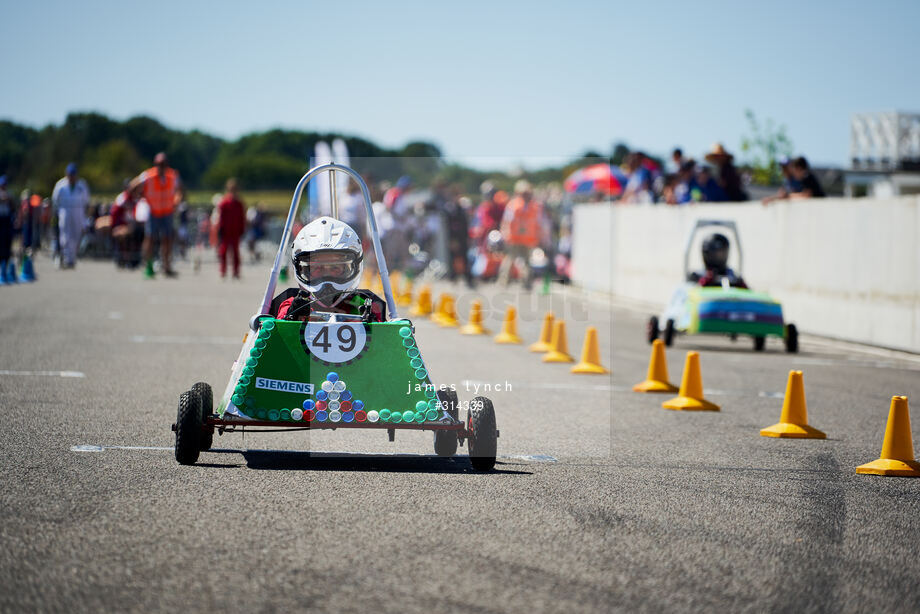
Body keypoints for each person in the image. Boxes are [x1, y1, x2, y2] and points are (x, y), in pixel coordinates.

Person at [272, 216, 385, 322]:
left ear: (354, 267)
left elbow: (387, 338)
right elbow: (277, 331)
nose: (327, 278)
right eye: (317, 268)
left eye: (335, 268)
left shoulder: (365, 306)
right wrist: (291, 318)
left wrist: (374, 327)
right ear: (302, 270)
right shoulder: (293, 305)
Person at [130, 152, 181, 278]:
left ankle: (166, 266)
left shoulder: (172, 176)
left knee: (167, 239)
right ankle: (148, 266)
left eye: (163, 164)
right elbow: (132, 185)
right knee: (150, 239)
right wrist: (139, 196)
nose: (160, 167)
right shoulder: (148, 175)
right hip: (153, 211)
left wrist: (176, 202)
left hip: (167, 212)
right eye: (158, 164)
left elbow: (179, 191)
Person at [499, 180, 545, 289]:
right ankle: (504, 280)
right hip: (514, 238)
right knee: (510, 259)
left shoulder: (534, 206)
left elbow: (538, 223)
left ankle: (526, 281)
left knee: (527, 261)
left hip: (528, 239)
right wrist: (505, 234)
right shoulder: (514, 205)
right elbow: (507, 221)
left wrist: (539, 236)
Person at [51, 163, 90, 269]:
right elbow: (55, 200)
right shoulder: (60, 185)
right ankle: (66, 257)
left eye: (73, 174)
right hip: (65, 210)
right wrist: (56, 213)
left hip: (78, 211)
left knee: (76, 235)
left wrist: (85, 216)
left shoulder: (82, 185)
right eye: (70, 174)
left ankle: (72, 258)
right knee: (65, 235)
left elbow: (86, 201)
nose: (71, 177)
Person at [215, 178, 246, 279]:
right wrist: (220, 229)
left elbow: (242, 218)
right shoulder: (224, 203)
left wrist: (242, 229)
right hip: (226, 231)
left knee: (235, 252)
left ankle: (236, 271)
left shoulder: (239, 204)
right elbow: (221, 217)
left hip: (235, 231)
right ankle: (223, 270)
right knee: (223, 251)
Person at [0, 176, 14, 281]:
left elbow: (13, 206)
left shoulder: (9, 194)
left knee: (7, 243)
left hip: (7, 220)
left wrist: (9, 200)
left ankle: (7, 264)